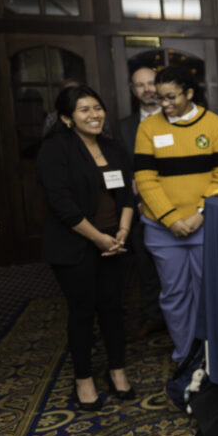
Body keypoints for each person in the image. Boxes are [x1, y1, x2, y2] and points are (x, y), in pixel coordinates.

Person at [38, 85, 136, 410]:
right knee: (82, 311)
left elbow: (126, 195)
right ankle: (83, 377)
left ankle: (117, 370)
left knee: (112, 307)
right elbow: (62, 205)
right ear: (67, 117)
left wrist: (122, 231)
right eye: (84, 109)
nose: (94, 115)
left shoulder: (112, 147)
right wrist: (98, 238)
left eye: (97, 107)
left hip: (114, 240)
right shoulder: (54, 149)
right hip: (74, 244)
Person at [134, 66, 218, 364]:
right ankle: (185, 357)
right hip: (163, 230)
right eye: (159, 97)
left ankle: (213, 356)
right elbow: (146, 179)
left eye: (171, 97)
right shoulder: (149, 128)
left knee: (210, 294)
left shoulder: (214, 124)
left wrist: (200, 213)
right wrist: (171, 219)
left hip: (205, 224)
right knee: (175, 295)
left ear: (189, 93)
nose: (164, 104)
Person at [115, 66, 165, 341]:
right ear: (133, 91)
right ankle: (154, 317)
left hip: (178, 206)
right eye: (140, 85)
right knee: (146, 267)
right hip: (141, 208)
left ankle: (186, 317)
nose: (147, 89)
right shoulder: (124, 127)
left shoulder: (175, 119)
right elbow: (122, 168)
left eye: (151, 83)